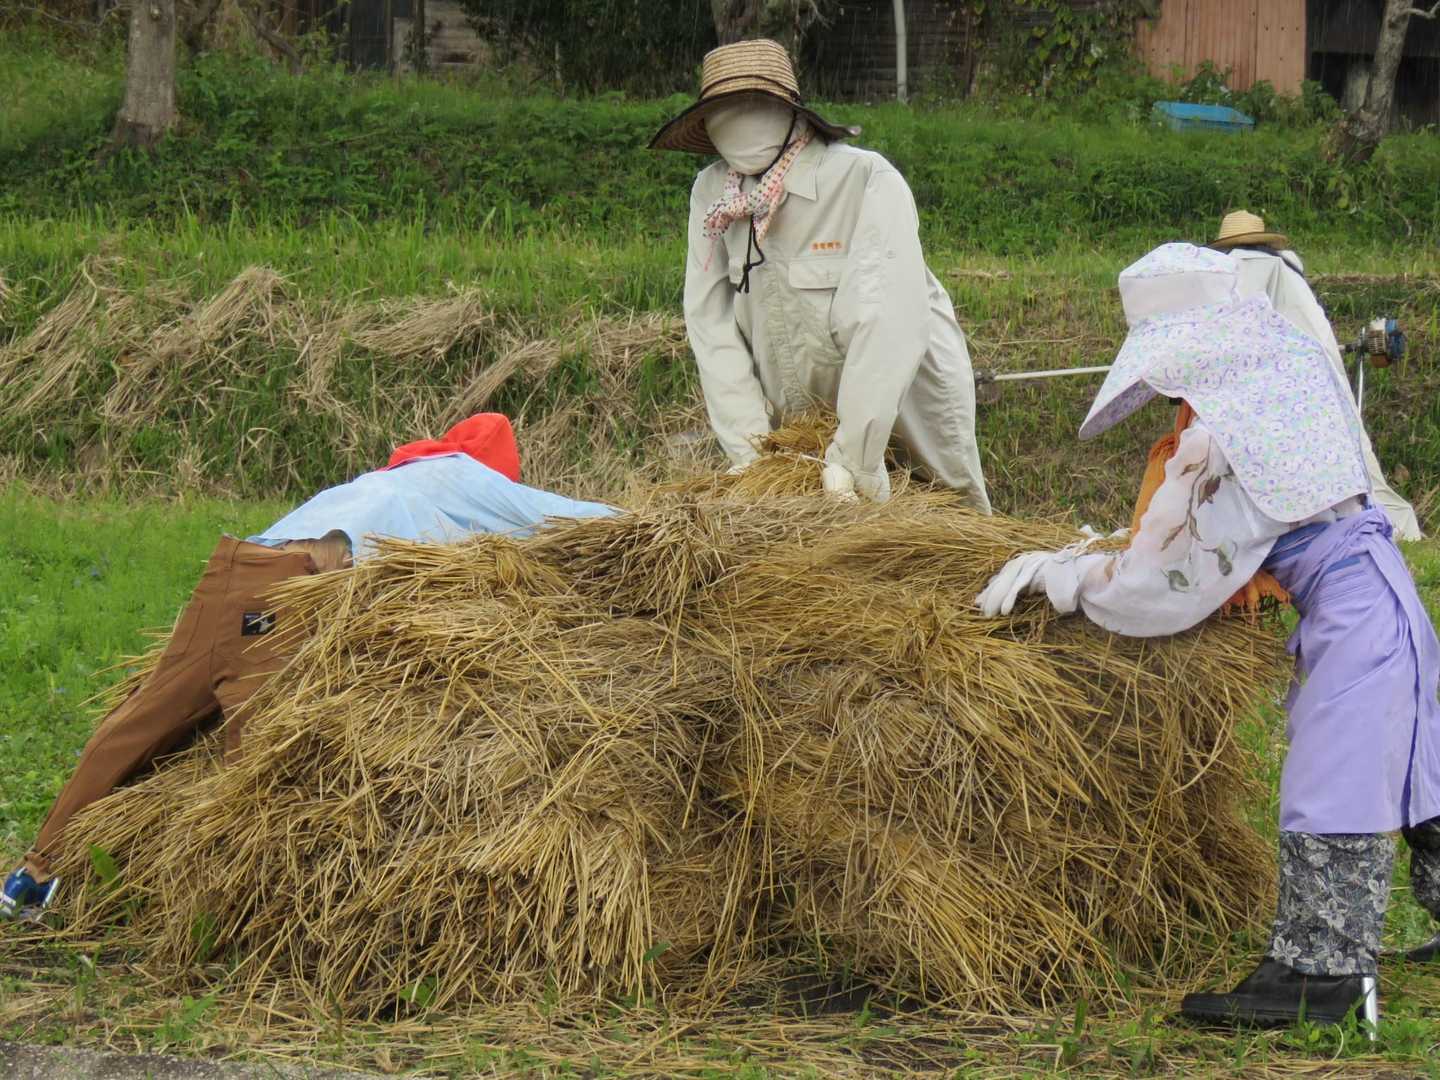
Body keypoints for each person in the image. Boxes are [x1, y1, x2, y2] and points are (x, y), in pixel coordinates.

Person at [977, 244, 1440, 1028]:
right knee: (1417, 762)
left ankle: (1324, 982)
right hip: (1385, 595)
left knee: (1336, 781)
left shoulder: (1221, 435)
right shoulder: (1287, 374)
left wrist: (1068, 576)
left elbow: (1160, 582)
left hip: (1356, 613)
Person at [1, 413, 616, 918]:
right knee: (263, 767)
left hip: (236, 571)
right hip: (287, 598)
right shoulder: (468, 477)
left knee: (139, 723)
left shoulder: (379, 479)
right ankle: (210, 916)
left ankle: (35, 869)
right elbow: (577, 521)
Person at [649, 38, 990, 512]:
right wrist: (754, 457)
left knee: (940, 523)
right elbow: (712, 326)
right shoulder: (711, 195)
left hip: (907, 400)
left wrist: (854, 458)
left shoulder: (863, 180)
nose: (740, 122)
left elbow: (882, 320)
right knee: (813, 536)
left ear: (788, 113)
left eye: (752, 105)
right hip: (798, 424)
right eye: (725, 111)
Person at [1211, 209, 1421, 541]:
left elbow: (1235, 327)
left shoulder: (1249, 264)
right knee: (1332, 446)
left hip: (1289, 373)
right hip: (1313, 368)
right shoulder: (1286, 267)